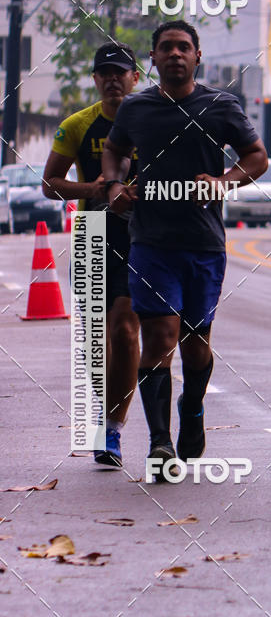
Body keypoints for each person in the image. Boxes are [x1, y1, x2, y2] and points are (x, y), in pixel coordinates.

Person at [102, 20, 268, 481]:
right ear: (152, 59)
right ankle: (160, 443)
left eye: (183, 47)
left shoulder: (220, 105)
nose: (175, 54)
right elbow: (114, 151)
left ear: (198, 58)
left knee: (196, 347)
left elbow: (256, 156)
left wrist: (223, 181)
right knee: (159, 339)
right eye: (165, 48)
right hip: (151, 241)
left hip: (203, 244)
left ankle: (192, 404)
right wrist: (115, 184)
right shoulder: (136, 109)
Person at [43, 42, 141, 468]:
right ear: (95, 80)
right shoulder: (77, 125)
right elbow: (50, 182)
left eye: (121, 72)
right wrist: (92, 190)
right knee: (94, 343)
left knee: (124, 330)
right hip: (93, 234)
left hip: (140, 234)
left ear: (135, 77)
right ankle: (107, 410)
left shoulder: (152, 120)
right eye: (105, 73)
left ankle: (112, 432)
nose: (113, 79)